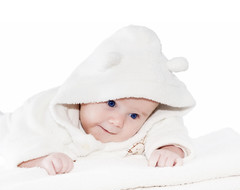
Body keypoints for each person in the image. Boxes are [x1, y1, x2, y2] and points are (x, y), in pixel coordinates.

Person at [0, 25, 195, 175]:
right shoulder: (48, 111)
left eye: (134, 115)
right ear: (88, 93)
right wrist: (41, 160)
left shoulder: (151, 116)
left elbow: (167, 128)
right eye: (111, 104)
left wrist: (168, 149)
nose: (117, 122)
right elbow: (18, 140)